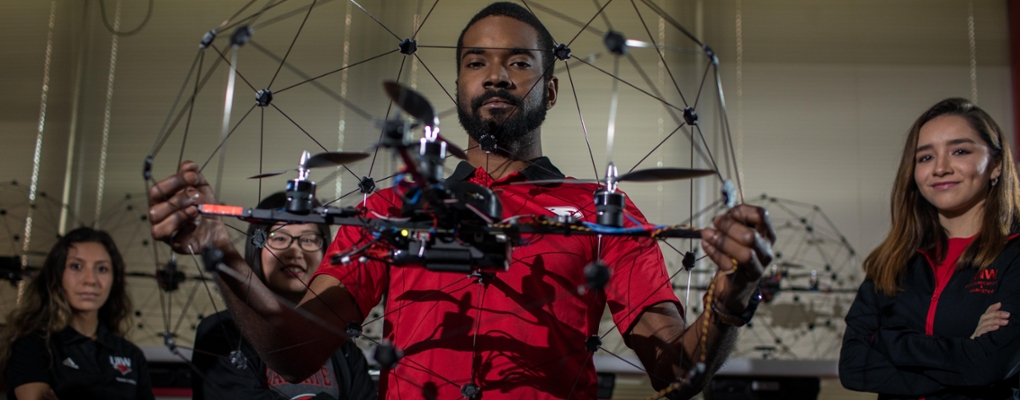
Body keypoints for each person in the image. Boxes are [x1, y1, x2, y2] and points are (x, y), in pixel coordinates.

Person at [147, 3, 775, 399]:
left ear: (551, 92)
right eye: (477, 62)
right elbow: (295, 348)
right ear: (458, 85)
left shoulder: (601, 211)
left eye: (519, 63)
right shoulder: (393, 207)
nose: (497, 75)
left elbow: (676, 371)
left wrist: (733, 295)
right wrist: (214, 250)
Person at [839, 98, 1020, 398]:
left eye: (959, 151)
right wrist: (965, 348)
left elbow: (989, 365)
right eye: (925, 157)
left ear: (996, 165)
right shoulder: (892, 262)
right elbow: (853, 367)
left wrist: (886, 340)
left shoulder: (1014, 256)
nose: (940, 168)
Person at [191, 193, 376, 400]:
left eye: (308, 239)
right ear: (256, 245)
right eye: (279, 238)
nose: (294, 251)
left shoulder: (341, 347)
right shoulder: (222, 334)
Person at [0, 227, 154, 400]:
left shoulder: (130, 354)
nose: (90, 280)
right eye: (76, 266)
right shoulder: (32, 345)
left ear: (115, 279)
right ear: (57, 275)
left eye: (102, 269)